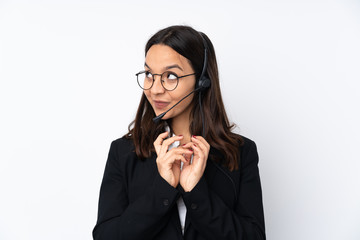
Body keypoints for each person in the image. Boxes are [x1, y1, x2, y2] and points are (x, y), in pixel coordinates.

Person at [92, 25, 266, 240]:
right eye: (149, 74)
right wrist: (163, 189)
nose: (155, 88)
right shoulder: (123, 152)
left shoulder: (241, 152)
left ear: (202, 81)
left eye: (171, 76)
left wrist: (196, 192)